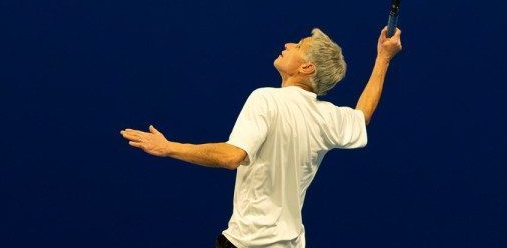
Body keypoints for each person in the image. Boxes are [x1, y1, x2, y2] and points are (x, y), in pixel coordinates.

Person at [120, 27, 403, 248]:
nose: (288, 45)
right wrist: (383, 58)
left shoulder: (265, 98)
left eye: (298, 45)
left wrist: (169, 147)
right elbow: (362, 116)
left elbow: (233, 157)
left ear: (306, 68)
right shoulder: (327, 117)